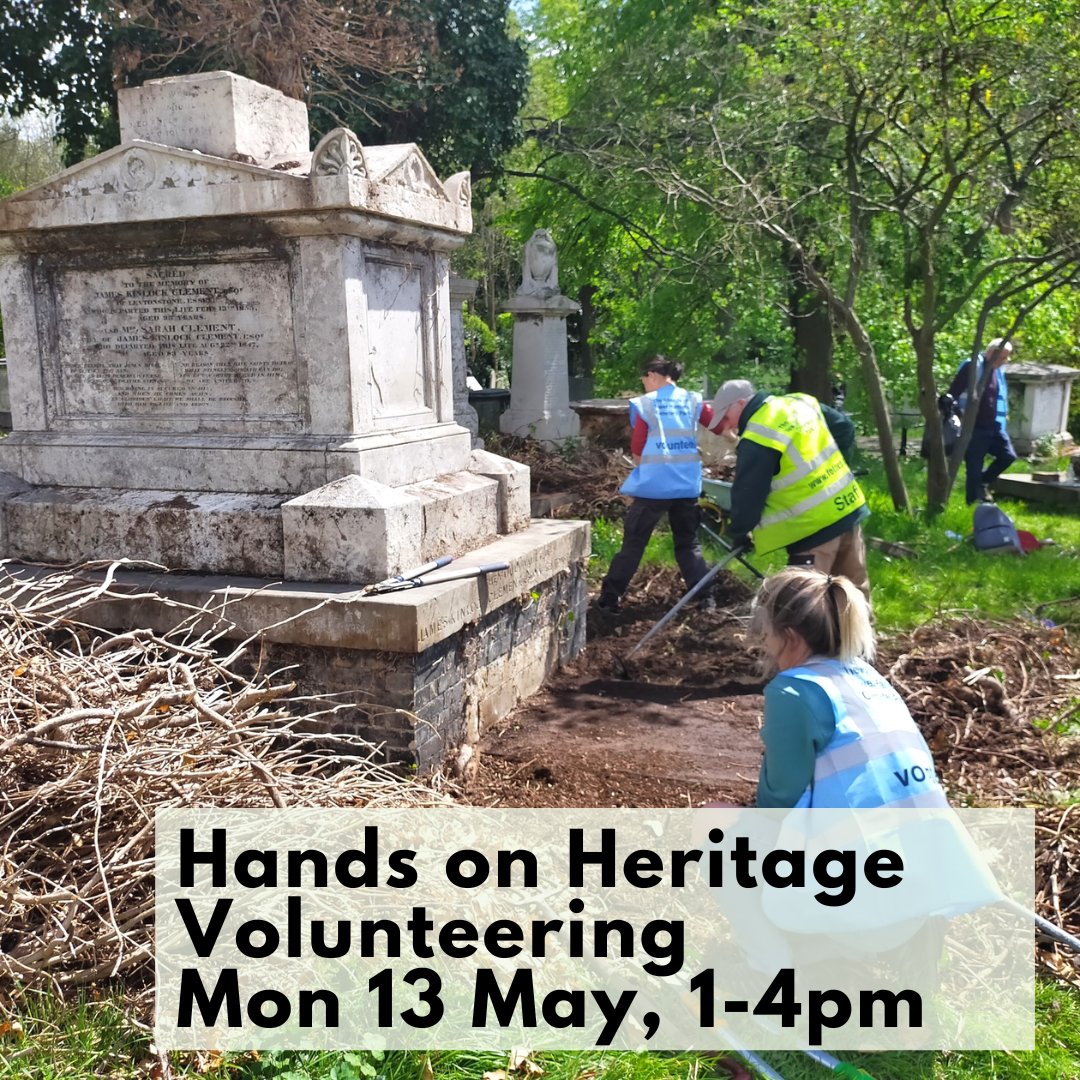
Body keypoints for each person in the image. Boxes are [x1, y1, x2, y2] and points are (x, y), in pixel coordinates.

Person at [750, 566, 948, 809]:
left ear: (790, 637)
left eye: (767, 634)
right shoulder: (870, 677)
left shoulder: (793, 690)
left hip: (861, 843)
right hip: (937, 838)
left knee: (714, 815)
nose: (766, 643)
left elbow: (778, 802)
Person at [708, 379, 870, 597]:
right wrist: (835, 468)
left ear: (740, 404)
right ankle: (861, 633)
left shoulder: (757, 436)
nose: (727, 426)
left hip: (811, 529)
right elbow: (844, 427)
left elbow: (748, 494)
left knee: (807, 607)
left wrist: (739, 532)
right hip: (847, 510)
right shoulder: (799, 402)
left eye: (726, 418)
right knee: (854, 599)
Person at [596, 356, 717, 612]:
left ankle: (609, 597)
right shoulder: (693, 399)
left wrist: (646, 465)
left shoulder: (646, 404)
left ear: (652, 375)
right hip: (687, 484)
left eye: (644, 379)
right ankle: (705, 598)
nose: (643, 384)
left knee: (634, 542)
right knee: (688, 543)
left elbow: (638, 447)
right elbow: (715, 422)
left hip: (654, 486)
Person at [946, 338, 1017, 504]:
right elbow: (952, 395)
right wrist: (960, 418)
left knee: (1008, 456)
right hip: (973, 428)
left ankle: (983, 483)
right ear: (991, 353)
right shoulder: (973, 368)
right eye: (1001, 358)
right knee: (974, 468)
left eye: (1006, 358)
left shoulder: (996, 371)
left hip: (993, 426)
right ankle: (972, 503)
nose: (1004, 362)